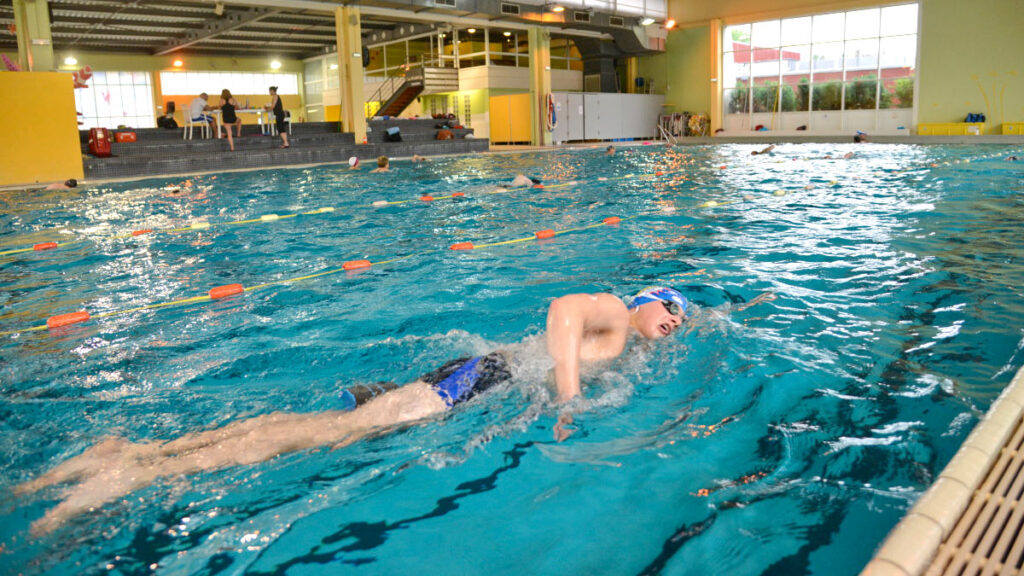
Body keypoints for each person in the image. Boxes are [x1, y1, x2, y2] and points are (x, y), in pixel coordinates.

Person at [19, 286, 777, 534]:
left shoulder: (651, 333)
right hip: (478, 381)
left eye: (680, 315)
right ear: (644, 303)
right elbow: (562, 309)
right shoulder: (616, 310)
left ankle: (133, 453)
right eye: (667, 309)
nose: (673, 320)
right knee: (323, 439)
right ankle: (132, 469)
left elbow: (708, 315)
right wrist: (570, 397)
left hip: (475, 379)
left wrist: (735, 306)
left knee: (326, 433)